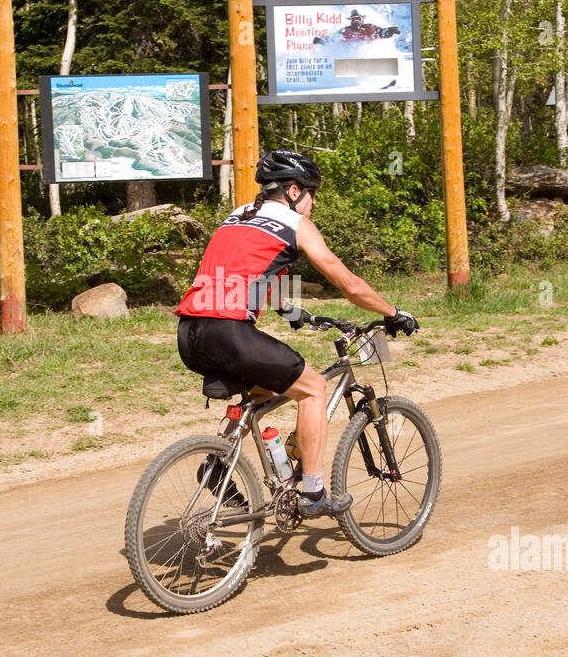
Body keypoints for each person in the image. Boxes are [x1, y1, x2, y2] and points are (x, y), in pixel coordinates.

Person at [175, 150, 419, 519]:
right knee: (313, 389)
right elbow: (349, 284)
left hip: (190, 332)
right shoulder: (294, 224)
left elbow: (246, 268)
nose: (314, 201)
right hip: (228, 331)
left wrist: (290, 311)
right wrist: (393, 313)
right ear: (292, 191)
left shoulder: (239, 214)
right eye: (310, 192)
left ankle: (217, 461)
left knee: (265, 390)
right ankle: (313, 493)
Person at [313, 10, 401, 45]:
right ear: (351, 21)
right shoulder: (345, 31)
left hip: (367, 55)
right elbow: (332, 41)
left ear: (362, 20)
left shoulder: (369, 28)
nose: (356, 21)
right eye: (354, 19)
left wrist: (391, 30)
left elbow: (382, 32)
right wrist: (321, 41)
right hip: (349, 56)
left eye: (358, 19)